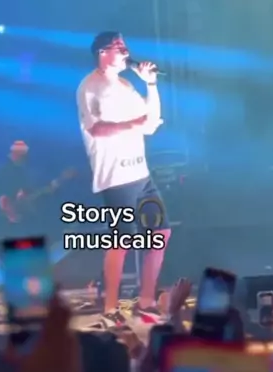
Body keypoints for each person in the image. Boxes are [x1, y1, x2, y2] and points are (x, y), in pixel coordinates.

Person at [77, 31, 171, 328]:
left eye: (125, 46)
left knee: (161, 232)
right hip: (116, 176)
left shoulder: (128, 85)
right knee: (121, 241)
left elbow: (150, 123)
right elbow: (97, 129)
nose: (125, 51)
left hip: (141, 173)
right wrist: (134, 124)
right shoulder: (90, 86)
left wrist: (151, 85)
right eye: (118, 47)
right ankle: (110, 308)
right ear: (102, 53)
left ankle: (146, 300)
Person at [0, 140, 36, 239]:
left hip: (20, 217)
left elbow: (25, 193)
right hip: (9, 219)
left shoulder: (22, 172)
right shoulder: (5, 171)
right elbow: (2, 195)